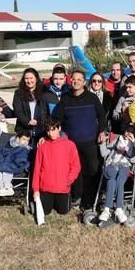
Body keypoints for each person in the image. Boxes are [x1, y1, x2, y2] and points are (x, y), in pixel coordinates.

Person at [54, 70, 107, 210]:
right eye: (74, 79)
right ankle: (78, 197)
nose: (76, 81)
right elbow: (56, 119)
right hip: (72, 144)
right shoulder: (65, 99)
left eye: (79, 79)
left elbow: (102, 116)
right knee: (75, 171)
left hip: (91, 142)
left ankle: (94, 198)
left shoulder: (92, 98)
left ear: (84, 82)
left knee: (93, 170)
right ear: (70, 81)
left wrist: (102, 131)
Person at [32, 118, 81, 222]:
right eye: (48, 130)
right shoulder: (42, 146)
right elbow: (37, 169)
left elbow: (76, 166)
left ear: (59, 128)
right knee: (45, 212)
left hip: (62, 187)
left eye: (53, 130)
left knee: (63, 211)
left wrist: (68, 180)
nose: (51, 133)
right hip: (46, 187)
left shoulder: (70, 145)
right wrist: (36, 190)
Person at [98, 126, 135, 224]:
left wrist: (130, 150)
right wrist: (102, 143)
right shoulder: (116, 140)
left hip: (124, 166)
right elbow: (104, 153)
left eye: (131, 132)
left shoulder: (134, 144)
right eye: (127, 131)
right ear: (124, 131)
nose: (128, 133)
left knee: (120, 181)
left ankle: (119, 208)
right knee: (112, 180)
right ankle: (107, 209)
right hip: (112, 164)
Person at [13, 67, 43, 144]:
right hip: (24, 130)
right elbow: (18, 110)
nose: (29, 81)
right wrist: (28, 121)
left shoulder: (44, 92)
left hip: (40, 131)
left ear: (36, 78)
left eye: (31, 78)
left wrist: (39, 121)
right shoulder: (18, 93)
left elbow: (45, 110)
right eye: (26, 78)